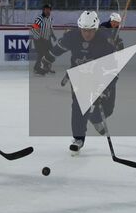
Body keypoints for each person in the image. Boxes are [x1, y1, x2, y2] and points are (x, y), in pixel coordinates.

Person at [34, 10, 120, 155]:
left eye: (91, 30)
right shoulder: (72, 36)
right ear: (80, 28)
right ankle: (78, 139)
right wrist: (47, 58)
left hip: (101, 75)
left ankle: (96, 118)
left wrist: (105, 88)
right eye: (84, 30)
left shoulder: (105, 41)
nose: (87, 34)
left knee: (108, 108)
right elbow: (57, 49)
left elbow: (113, 69)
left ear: (96, 28)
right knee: (79, 107)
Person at [30, 3, 55, 75]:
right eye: (47, 10)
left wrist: (53, 35)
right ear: (43, 10)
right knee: (41, 54)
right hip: (39, 40)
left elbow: (50, 28)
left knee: (51, 54)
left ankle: (46, 67)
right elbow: (33, 29)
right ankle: (36, 69)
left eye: (49, 10)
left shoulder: (50, 18)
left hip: (47, 39)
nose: (48, 11)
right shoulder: (39, 19)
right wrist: (39, 38)